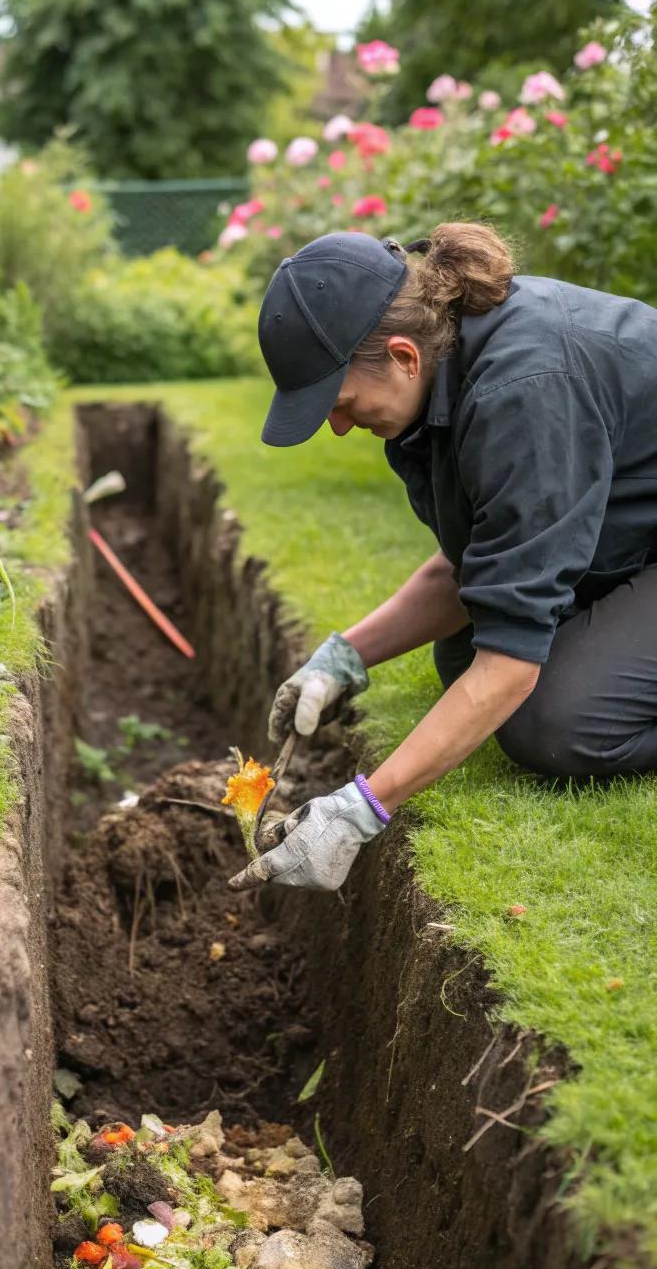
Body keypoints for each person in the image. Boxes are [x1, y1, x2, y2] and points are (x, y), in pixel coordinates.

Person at [229, 223, 657, 893]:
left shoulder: (521, 392)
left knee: (556, 721)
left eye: (339, 403)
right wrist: (344, 658)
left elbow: (512, 661)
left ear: (402, 355)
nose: (339, 426)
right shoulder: (440, 383)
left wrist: (361, 809)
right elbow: (481, 562)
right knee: (462, 657)